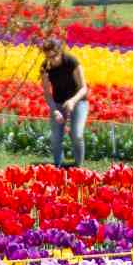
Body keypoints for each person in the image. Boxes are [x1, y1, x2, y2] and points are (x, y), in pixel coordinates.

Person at [39, 37, 88, 169]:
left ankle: (78, 166)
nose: (51, 59)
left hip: (78, 101)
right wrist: (54, 109)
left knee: (76, 134)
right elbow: (47, 92)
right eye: (48, 56)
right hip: (58, 102)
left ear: (60, 51)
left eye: (54, 55)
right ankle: (58, 166)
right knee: (56, 137)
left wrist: (72, 101)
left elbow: (84, 88)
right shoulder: (45, 67)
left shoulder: (71, 62)